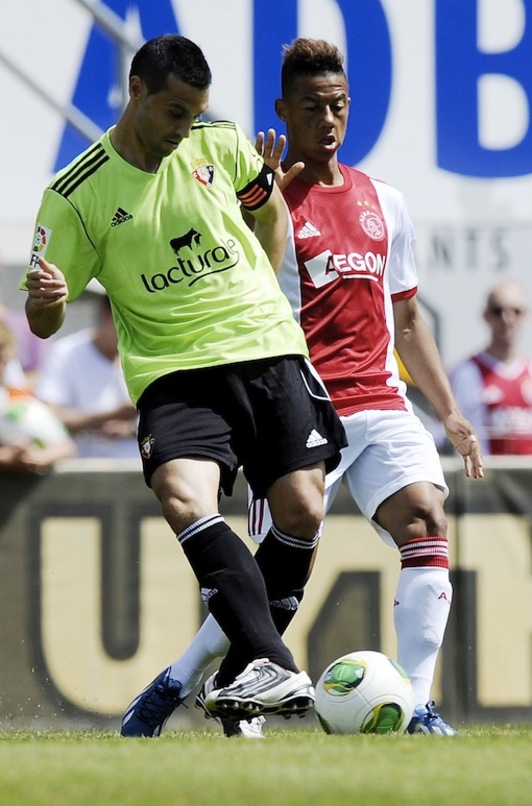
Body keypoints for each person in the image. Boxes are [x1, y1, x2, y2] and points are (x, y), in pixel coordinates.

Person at [119, 38, 483, 740]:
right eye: (312, 107)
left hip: (383, 401)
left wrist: (452, 412)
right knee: (274, 588)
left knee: (428, 525)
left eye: (339, 106)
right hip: (301, 405)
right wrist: (254, 192)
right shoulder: (267, 198)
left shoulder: (388, 203)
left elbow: (407, 319)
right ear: (284, 111)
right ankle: (181, 682)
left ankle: (417, 703)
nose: (329, 119)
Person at [21, 35, 346, 725]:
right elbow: (44, 320)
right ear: (135, 90)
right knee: (180, 493)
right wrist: (46, 302)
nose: (181, 129)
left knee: (303, 510)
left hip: (264, 345)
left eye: (192, 113)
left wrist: (268, 285)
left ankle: (241, 680)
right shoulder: (75, 193)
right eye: (172, 112)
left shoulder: (218, 143)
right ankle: (271, 664)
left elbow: (267, 206)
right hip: (174, 367)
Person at [35, 289, 139, 459]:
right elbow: (49, 419)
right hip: (83, 471)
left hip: (140, 471)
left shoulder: (146, 354)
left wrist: (131, 429)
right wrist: (114, 414)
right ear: (108, 316)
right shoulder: (65, 353)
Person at [450, 280, 532, 454]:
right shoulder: (465, 372)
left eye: (515, 312)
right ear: (487, 315)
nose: (507, 318)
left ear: (525, 316)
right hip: (487, 477)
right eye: (498, 311)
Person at [0, 320, 75, 473]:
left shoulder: (18, 403)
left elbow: (66, 446)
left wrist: (39, 456)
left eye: (3, 360)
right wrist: (4, 457)